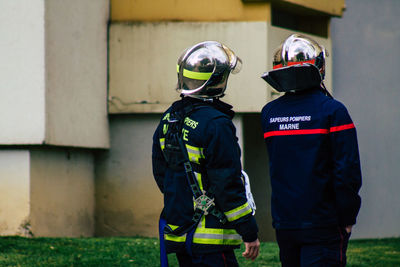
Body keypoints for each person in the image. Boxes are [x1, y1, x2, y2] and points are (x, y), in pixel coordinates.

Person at [152, 41, 260, 267]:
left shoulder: (169, 119)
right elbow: (227, 183)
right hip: (211, 238)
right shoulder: (216, 124)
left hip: (180, 233)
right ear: (217, 82)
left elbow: (163, 175)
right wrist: (248, 231)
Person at [260, 34, 362, 266]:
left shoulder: (269, 113)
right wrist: (348, 216)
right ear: (319, 67)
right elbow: (347, 171)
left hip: (285, 223)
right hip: (324, 223)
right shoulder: (333, 111)